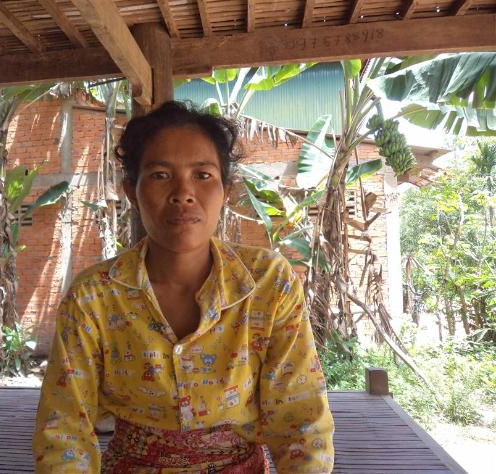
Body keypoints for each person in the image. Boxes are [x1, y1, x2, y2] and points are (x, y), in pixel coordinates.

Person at [33, 101, 334, 473]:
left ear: (226, 190)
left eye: (203, 175)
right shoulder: (93, 297)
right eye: (160, 175)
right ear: (131, 191)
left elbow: (300, 417)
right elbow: (64, 428)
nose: (183, 193)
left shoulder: (267, 283)